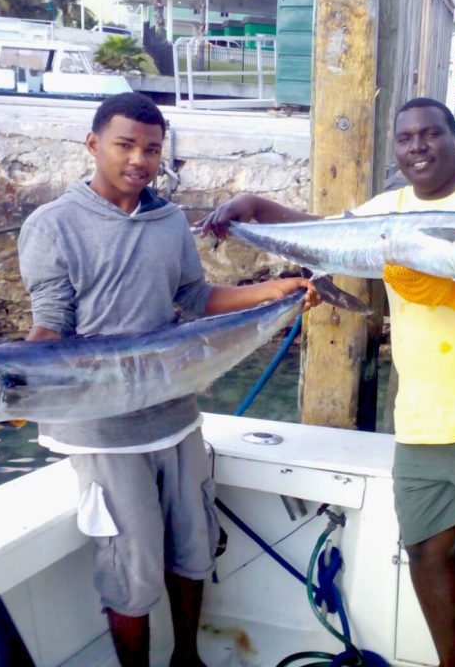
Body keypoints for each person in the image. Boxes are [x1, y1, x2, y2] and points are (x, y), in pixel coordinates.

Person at [201, 97, 455, 667]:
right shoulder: (390, 208)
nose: (418, 146)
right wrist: (254, 207)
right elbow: (326, 236)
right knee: (426, 551)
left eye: (432, 134)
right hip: (426, 421)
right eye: (406, 139)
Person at [18, 92, 320, 667]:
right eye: (124, 145)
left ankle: (188, 660)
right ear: (93, 144)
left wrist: (270, 291)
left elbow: (193, 297)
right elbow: (49, 327)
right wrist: (15, 385)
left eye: (151, 149)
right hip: (105, 432)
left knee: (193, 550)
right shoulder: (52, 225)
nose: (138, 159)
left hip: (176, 417)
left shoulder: (168, 221)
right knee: (133, 571)